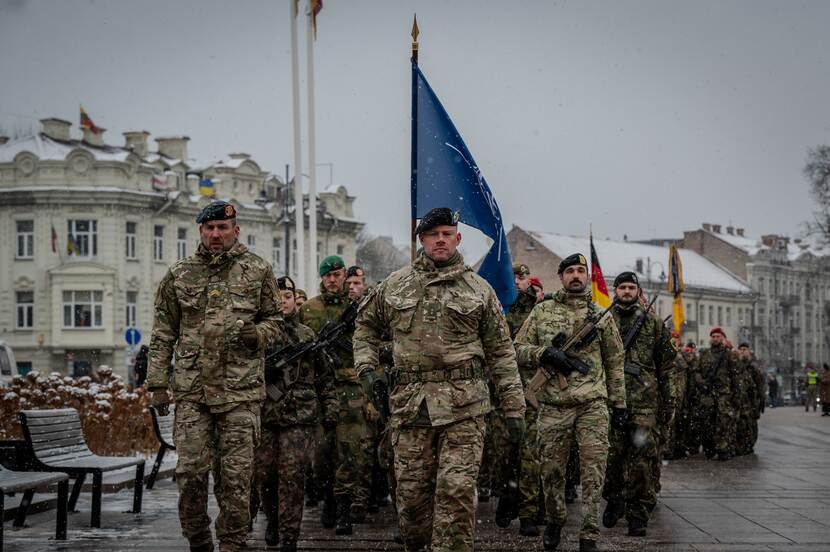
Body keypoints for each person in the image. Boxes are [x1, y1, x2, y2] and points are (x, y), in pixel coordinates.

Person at [354, 207, 526, 552]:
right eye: (433, 235)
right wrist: (367, 369)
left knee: (456, 491)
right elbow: (365, 328)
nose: (441, 240)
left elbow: (502, 353)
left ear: (458, 238)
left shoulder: (479, 290)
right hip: (410, 407)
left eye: (447, 234)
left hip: (465, 406)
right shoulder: (394, 285)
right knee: (412, 501)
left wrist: (514, 408)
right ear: (422, 240)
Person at [147, 200, 283, 552]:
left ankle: (233, 544)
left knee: (235, 480)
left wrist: (259, 334)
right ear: (201, 231)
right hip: (193, 392)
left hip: (240, 393)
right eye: (209, 228)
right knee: (190, 474)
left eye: (222, 228)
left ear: (236, 230)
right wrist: (158, 384)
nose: (215, 234)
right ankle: (198, 540)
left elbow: (276, 321)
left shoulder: (257, 270)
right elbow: (163, 333)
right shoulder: (179, 274)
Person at [515, 253, 626, 552]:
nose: (576, 275)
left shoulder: (602, 315)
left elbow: (615, 363)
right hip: (552, 405)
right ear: (561, 276)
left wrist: (619, 405)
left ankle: (589, 533)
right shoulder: (542, 312)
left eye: (581, 270)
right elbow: (517, 349)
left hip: (592, 403)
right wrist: (545, 354)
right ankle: (555, 518)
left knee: (594, 471)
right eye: (570, 271)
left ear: (586, 276)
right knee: (551, 471)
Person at [254, 276, 337, 551]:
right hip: (265, 415)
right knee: (265, 474)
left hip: (299, 417)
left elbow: (324, 376)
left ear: (294, 300)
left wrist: (330, 407)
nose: (283, 302)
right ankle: (273, 521)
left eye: (287, 296)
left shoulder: (307, 336)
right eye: (277, 297)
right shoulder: (259, 335)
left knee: (293, 475)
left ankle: (290, 535)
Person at [602, 272, 677, 537]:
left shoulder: (654, 324)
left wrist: (669, 403)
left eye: (631, 287)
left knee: (643, 461)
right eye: (622, 287)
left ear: (638, 291)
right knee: (611, 458)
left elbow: (668, 367)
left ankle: (638, 514)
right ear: (615, 290)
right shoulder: (603, 321)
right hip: (610, 401)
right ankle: (614, 498)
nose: (626, 291)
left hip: (645, 403)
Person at [300, 255, 371, 535]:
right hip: (319, 389)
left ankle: (344, 507)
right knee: (320, 454)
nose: (332, 280)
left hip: (350, 389)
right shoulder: (308, 310)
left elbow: (370, 342)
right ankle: (327, 496)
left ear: (344, 275)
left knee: (350, 451)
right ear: (322, 277)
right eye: (327, 275)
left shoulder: (359, 309)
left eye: (337, 275)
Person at [697, 327, 739, 461]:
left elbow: (735, 374)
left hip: (723, 392)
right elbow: (696, 371)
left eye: (718, 336)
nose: (715, 339)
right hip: (708, 392)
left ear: (723, 338)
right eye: (713, 336)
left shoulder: (728, 354)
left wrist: (735, 394)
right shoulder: (704, 354)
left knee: (723, 421)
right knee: (707, 420)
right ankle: (709, 447)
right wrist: (701, 382)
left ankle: (723, 448)